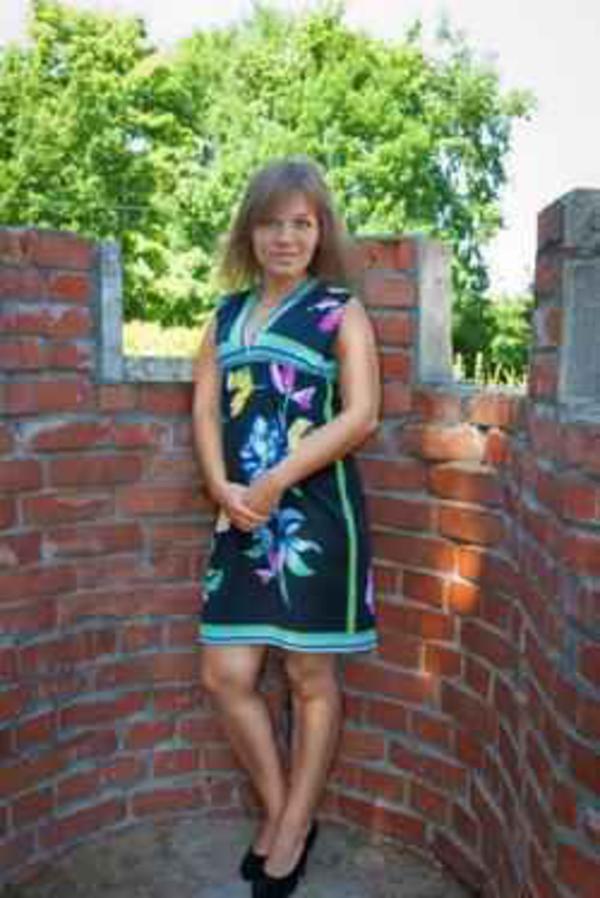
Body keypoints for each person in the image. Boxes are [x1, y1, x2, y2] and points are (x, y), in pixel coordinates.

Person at [192, 156, 380, 898]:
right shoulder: (224, 316)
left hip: (317, 517)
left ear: (320, 231)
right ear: (250, 231)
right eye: (271, 223)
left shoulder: (340, 309)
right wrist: (221, 484)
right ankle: (282, 811)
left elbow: (361, 416)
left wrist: (274, 480)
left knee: (309, 676)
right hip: (239, 514)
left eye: (301, 223)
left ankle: (293, 828)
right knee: (225, 675)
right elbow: (206, 409)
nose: (286, 237)